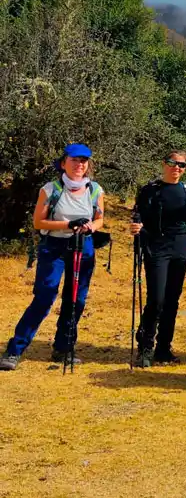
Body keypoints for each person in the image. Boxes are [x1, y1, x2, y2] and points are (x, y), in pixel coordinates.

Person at [1, 144, 105, 371]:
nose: (80, 165)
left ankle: (63, 348)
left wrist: (90, 227)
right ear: (63, 163)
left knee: (76, 298)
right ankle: (15, 349)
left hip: (83, 245)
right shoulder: (51, 189)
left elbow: (99, 219)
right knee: (45, 295)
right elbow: (39, 222)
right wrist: (68, 224)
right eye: (75, 160)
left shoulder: (95, 189)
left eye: (84, 161)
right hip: (54, 246)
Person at [128, 151, 186, 368]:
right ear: (164, 164)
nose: (176, 167)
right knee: (156, 299)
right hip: (156, 245)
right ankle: (145, 347)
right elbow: (137, 215)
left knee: (172, 300)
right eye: (172, 163)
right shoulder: (150, 190)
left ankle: (163, 348)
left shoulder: (185, 190)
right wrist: (136, 228)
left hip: (180, 246)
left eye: (181, 165)